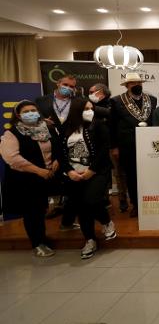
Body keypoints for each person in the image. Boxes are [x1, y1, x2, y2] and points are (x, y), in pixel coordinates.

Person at [0, 101, 61, 257]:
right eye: (26, 111)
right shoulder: (12, 133)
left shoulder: (47, 128)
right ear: (18, 115)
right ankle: (37, 243)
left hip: (47, 175)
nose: (31, 113)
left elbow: (58, 147)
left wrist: (56, 160)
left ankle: (42, 237)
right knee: (32, 212)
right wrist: (38, 170)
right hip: (25, 178)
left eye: (33, 110)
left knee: (41, 209)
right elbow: (12, 158)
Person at [60, 98, 117, 259]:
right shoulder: (66, 127)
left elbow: (104, 149)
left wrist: (91, 170)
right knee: (81, 209)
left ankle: (106, 222)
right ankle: (90, 240)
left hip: (97, 172)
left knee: (91, 200)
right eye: (86, 108)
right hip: (73, 174)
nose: (90, 111)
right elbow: (60, 152)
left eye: (91, 108)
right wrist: (69, 171)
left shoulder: (98, 125)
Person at [109, 72, 158, 217]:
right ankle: (136, 205)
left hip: (148, 145)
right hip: (127, 146)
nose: (136, 85)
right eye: (132, 83)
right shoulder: (117, 101)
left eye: (139, 83)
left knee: (149, 175)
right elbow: (112, 126)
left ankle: (150, 202)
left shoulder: (152, 100)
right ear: (127, 85)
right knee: (131, 176)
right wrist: (114, 147)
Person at [36, 74, 79, 227]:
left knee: (72, 184)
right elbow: (32, 121)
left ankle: (68, 220)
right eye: (66, 84)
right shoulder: (41, 100)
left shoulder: (77, 101)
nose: (68, 88)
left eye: (72, 86)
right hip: (49, 145)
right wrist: (41, 122)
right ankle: (50, 211)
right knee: (50, 181)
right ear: (58, 83)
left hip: (71, 145)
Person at [89, 83, 128, 211]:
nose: (90, 95)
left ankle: (123, 199)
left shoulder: (113, 102)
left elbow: (110, 114)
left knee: (119, 173)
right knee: (99, 173)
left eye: (92, 92)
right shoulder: (88, 107)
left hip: (112, 145)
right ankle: (103, 199)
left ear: (101, 92)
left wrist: (93, 108)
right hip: (96, 146)